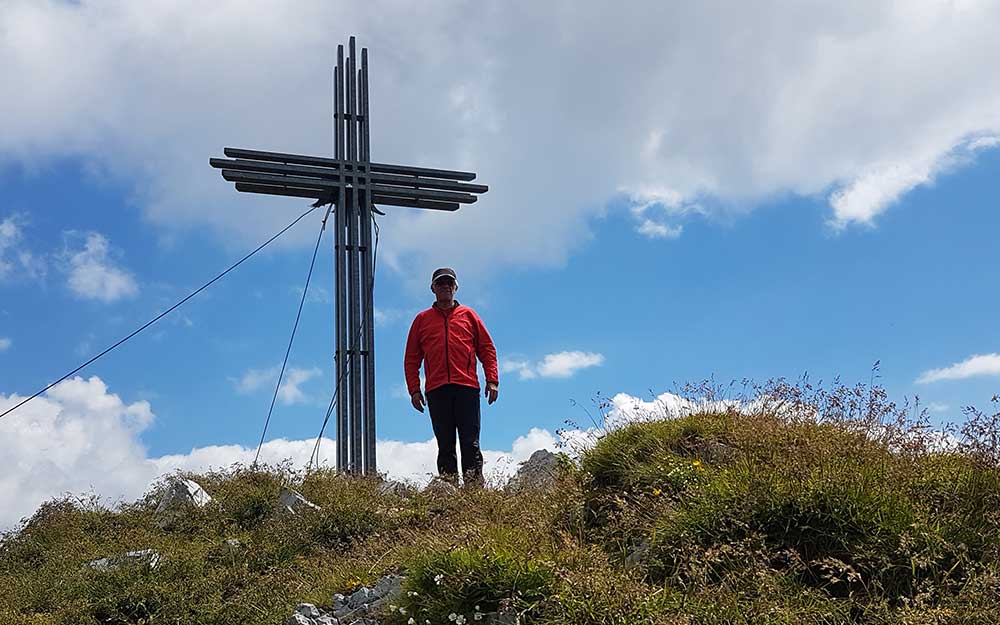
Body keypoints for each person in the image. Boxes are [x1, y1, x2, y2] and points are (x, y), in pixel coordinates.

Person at [404, 267, 499, 486]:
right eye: (440, 283)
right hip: (437, 390)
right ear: (433, 289)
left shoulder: (469, 315)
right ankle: (449, 494)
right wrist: (414, 390)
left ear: (455, 287)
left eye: (449, 283)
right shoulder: (421, 320)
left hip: (466, 387)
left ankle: (474, 494)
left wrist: (492, 380)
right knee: (445, 444)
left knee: (470, 443)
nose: (445, 286)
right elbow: (411, 358)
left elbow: (487, 349)